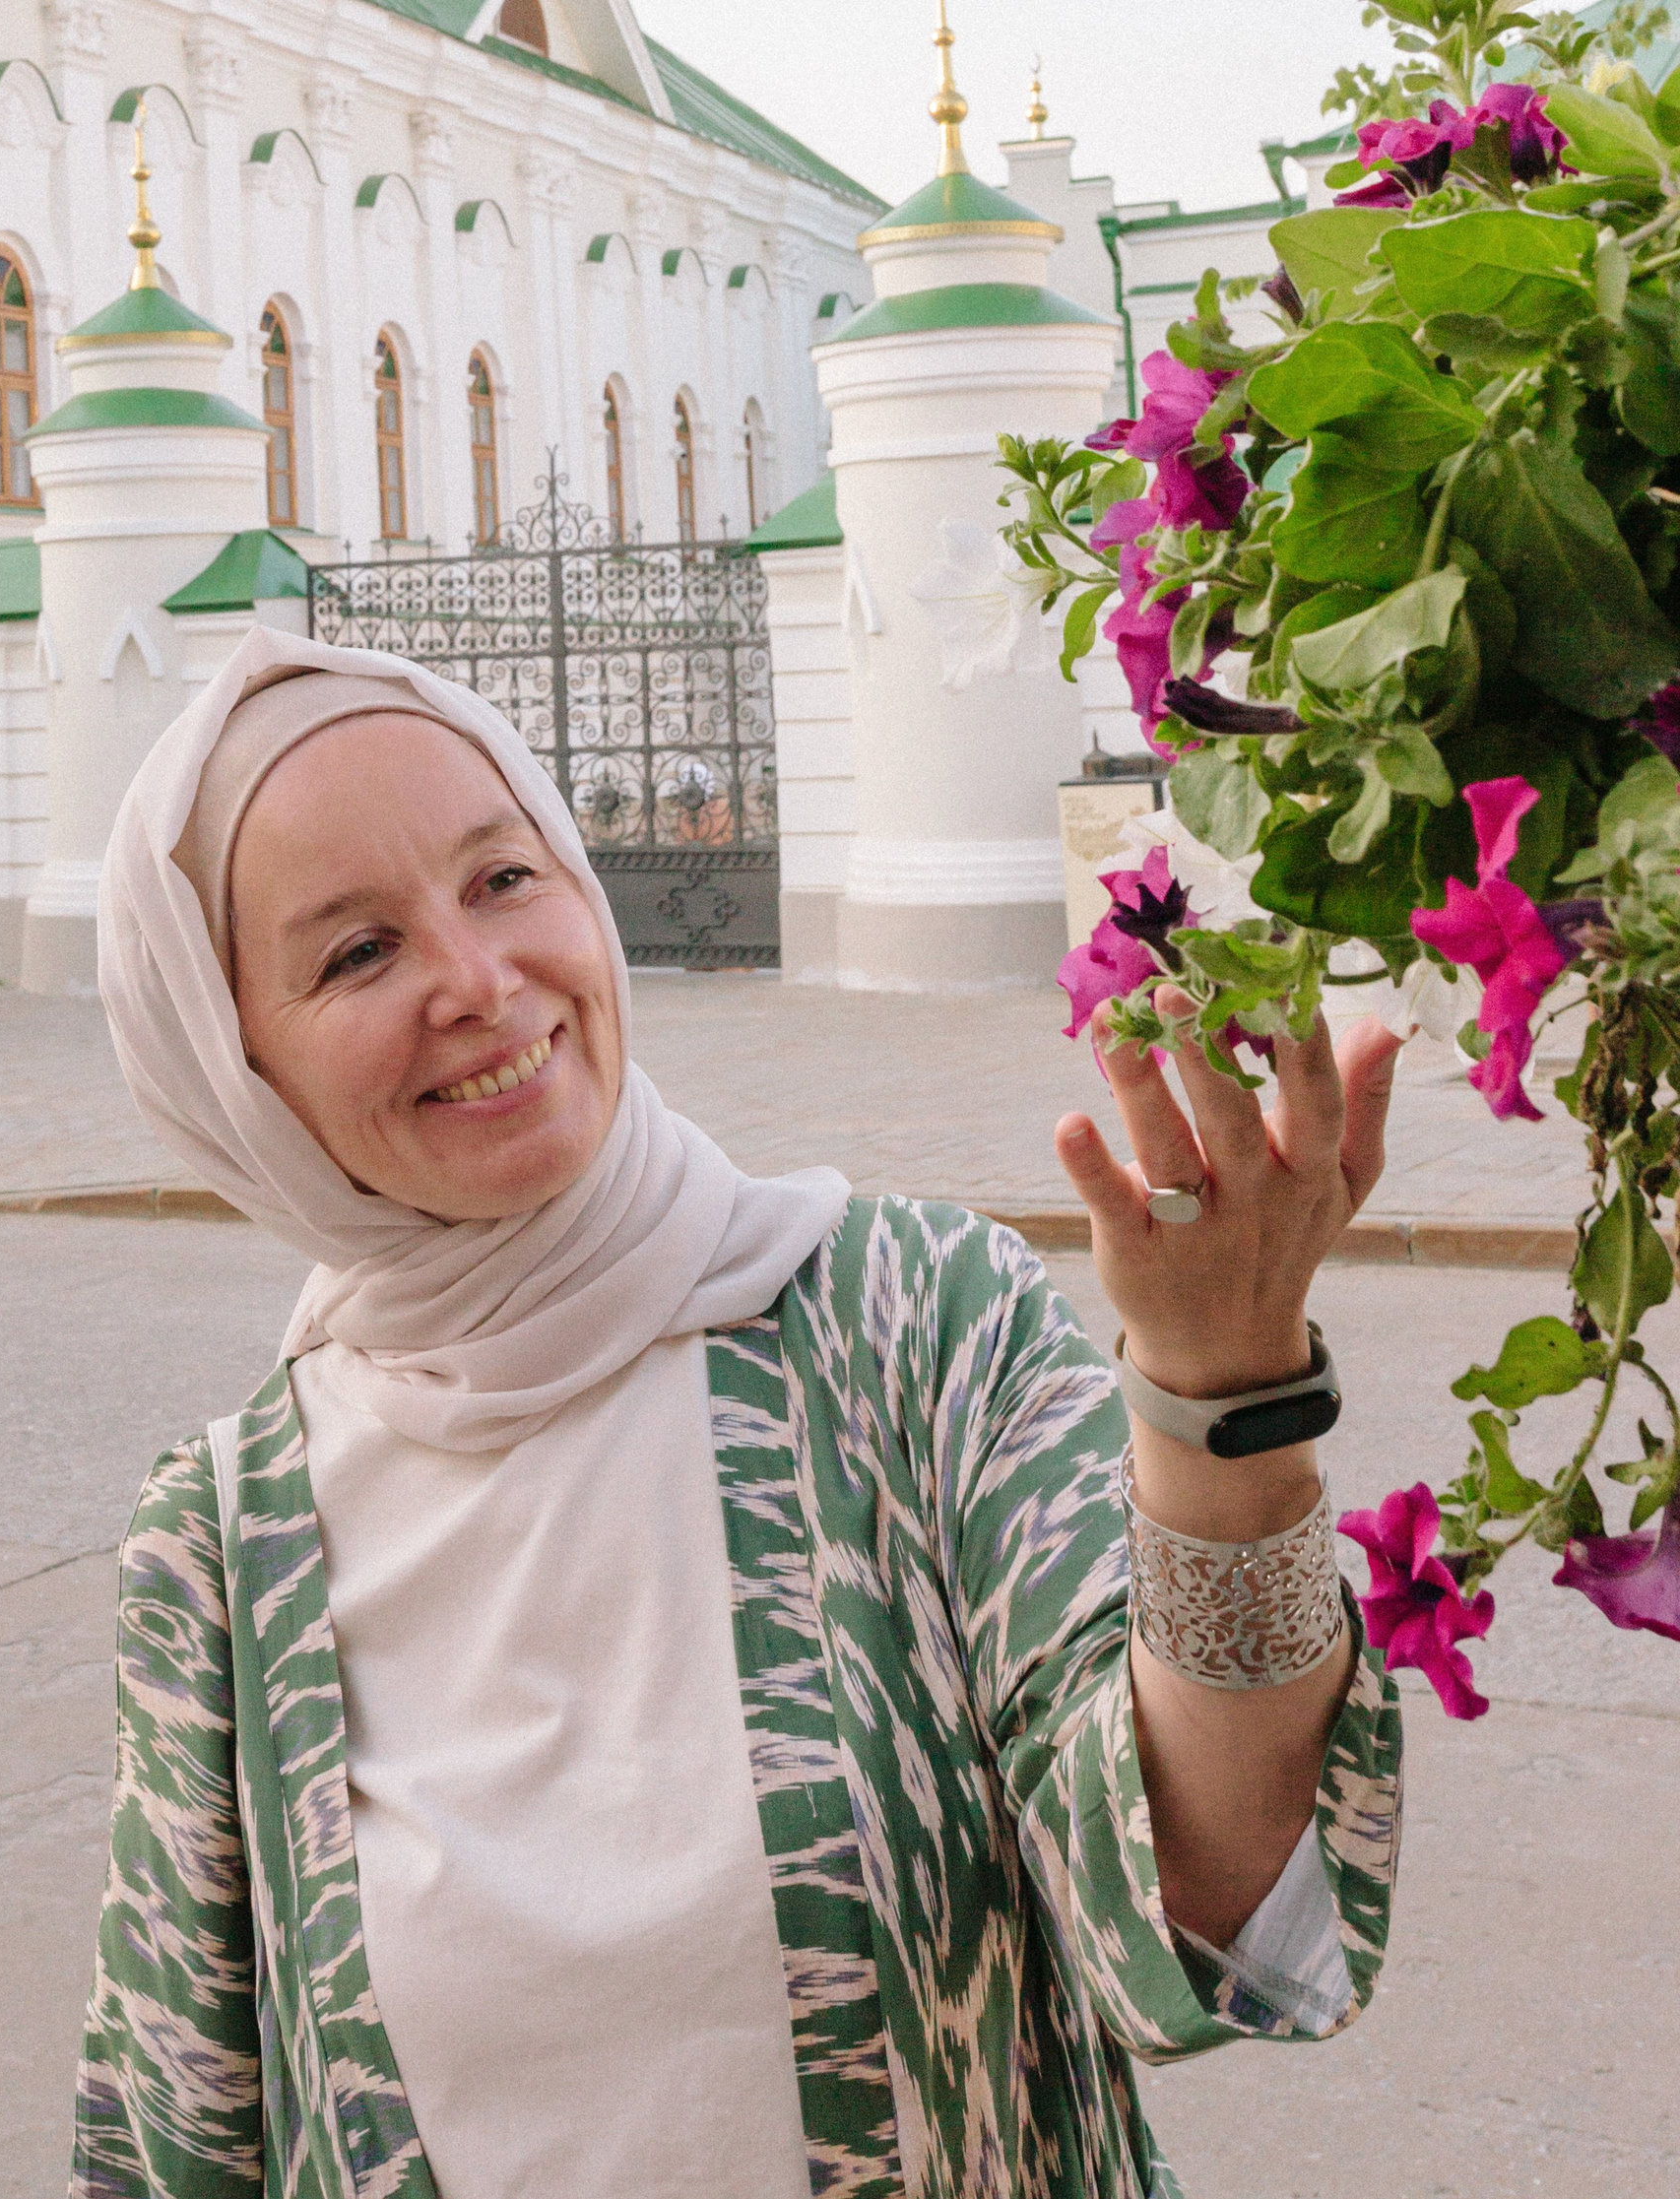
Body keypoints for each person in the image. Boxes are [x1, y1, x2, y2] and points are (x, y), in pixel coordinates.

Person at [70, 625, 1404, 2199]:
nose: (481, 981)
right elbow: (180, 2138)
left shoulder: (908, 1323)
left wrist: (1223, 1401)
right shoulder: (229, 1547)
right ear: (235, 1073)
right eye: (357, 952)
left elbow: (1200, 1889)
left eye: (505, 878)